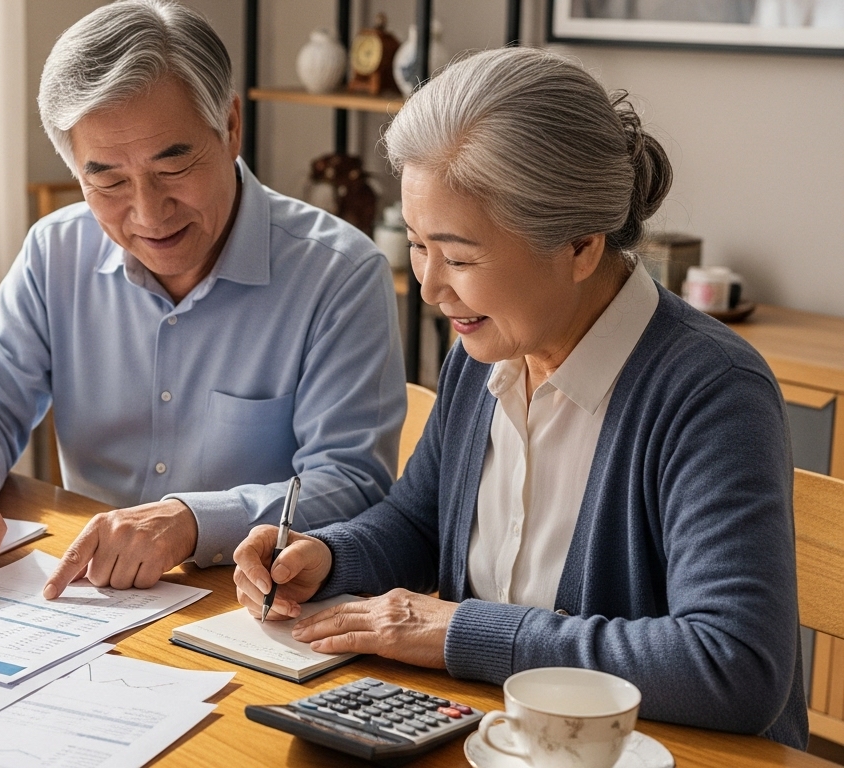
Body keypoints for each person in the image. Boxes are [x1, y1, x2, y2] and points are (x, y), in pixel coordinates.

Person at [232, 47, 806, 746]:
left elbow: (733, 667)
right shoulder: (486, 354)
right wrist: (328, 557)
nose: (430, 285)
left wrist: (458, 631)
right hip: (502, 742)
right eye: (417, 244)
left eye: (461, 257)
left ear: (581, 245)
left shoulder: (711, 392)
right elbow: (418, 522)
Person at [0, 0, 406, 597]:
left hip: (248, 608)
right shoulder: (56, 251)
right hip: (86, 600)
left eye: (173, 166)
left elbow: (352, 484)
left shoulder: (339, 275)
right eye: (108, 179)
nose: (148, 213)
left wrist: (191, 523)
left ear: (230, 127)